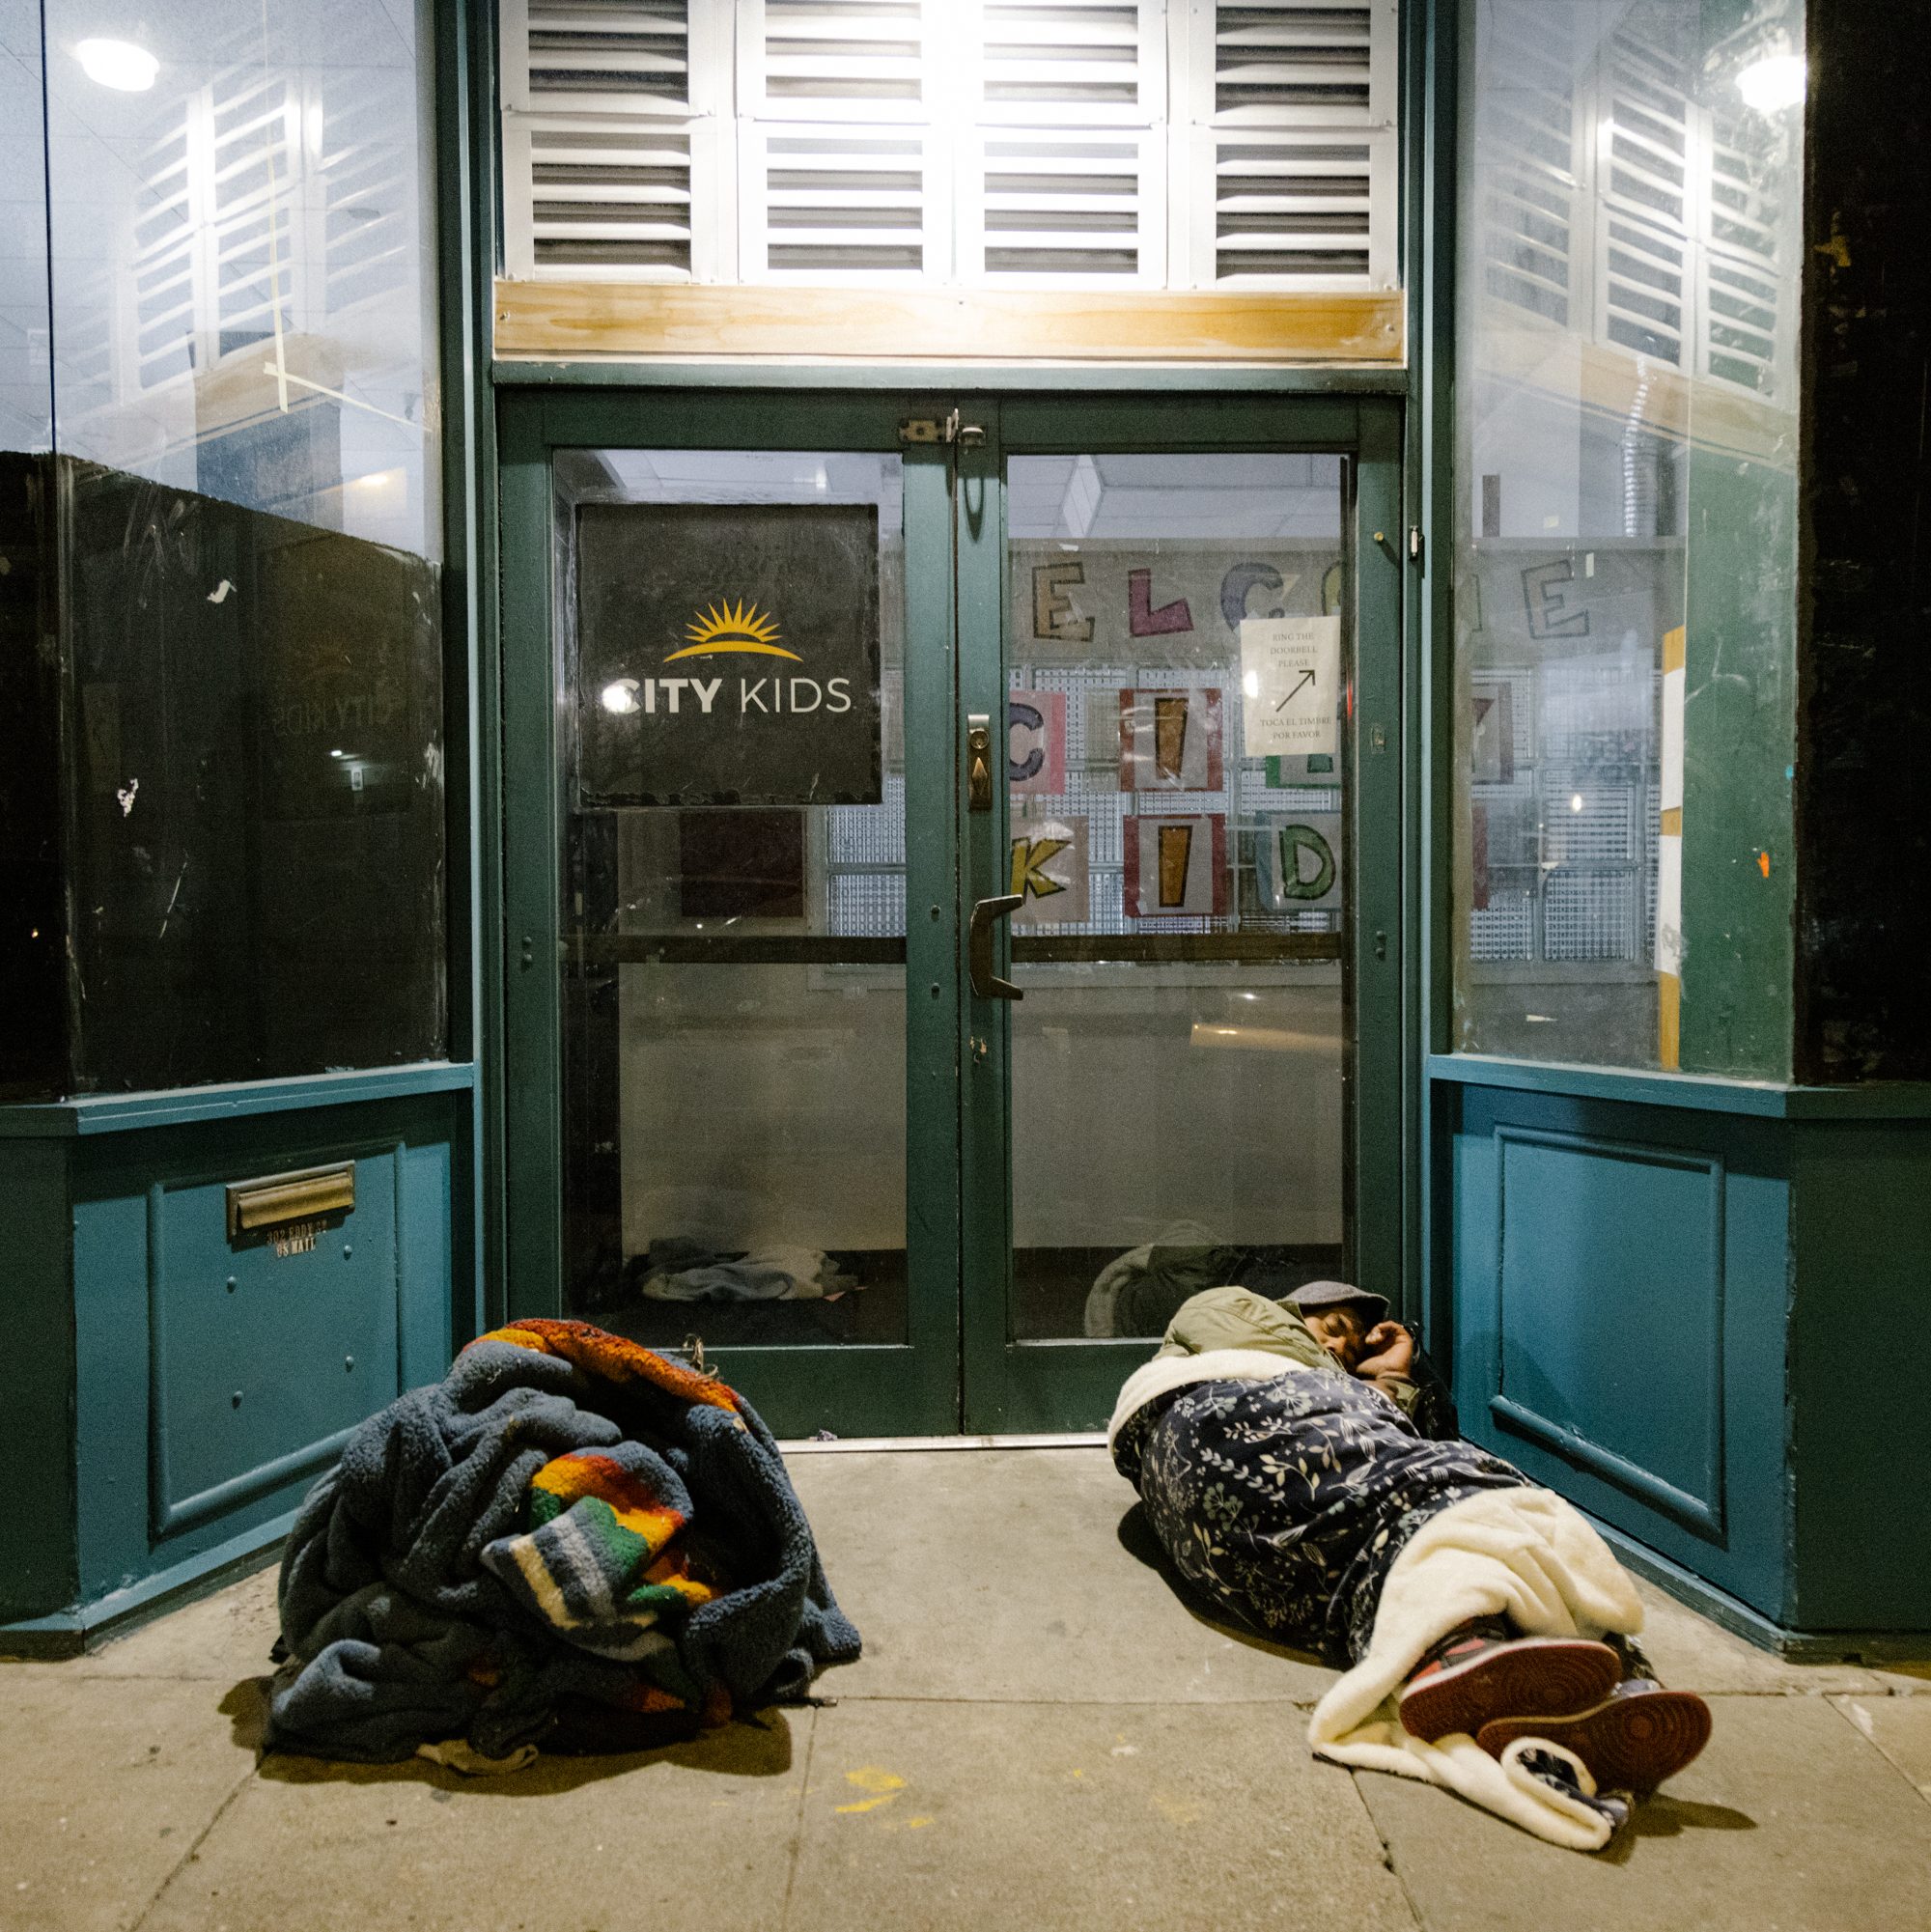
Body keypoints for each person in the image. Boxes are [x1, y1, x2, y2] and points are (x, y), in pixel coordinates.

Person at [1111, 1278, 1712, 1839]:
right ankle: (1556, 1648)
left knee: (1376, 1538)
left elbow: (1390, 1437)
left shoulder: (1338, 1387)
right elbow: (1370, 1434)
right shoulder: (1233, 1324)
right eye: (1335, 1323)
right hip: (1228, 1432)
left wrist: (1394, 1375)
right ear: (1295, 1313)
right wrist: (1340, 1367)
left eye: (1350, 1337)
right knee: (1451, 1493)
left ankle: (1477, 1654)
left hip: (1245, 1536)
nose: (1342, 1342)